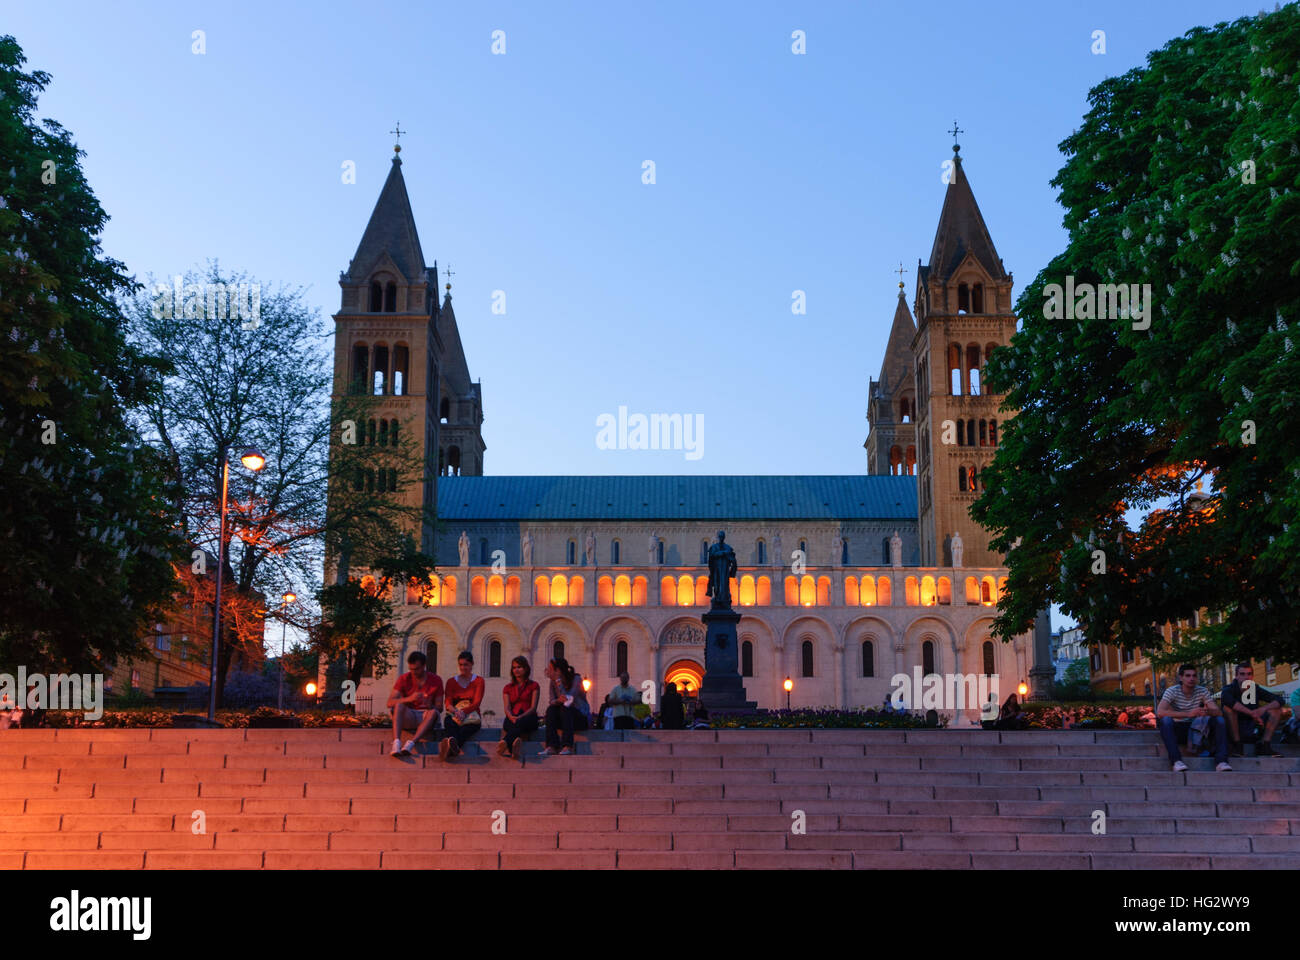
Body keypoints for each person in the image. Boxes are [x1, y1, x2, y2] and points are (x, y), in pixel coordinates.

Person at [1156, 663, 1231, 772]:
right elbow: (1160, 712)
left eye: (1194, 676)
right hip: (1179, 728)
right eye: (1188, 675)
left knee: (1219, 720)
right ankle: (1176, 761)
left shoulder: (1202, 691)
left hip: (1197, 729)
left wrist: (1206, 711)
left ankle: (1221, 761)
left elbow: (1218, 712)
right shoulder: (1172, 691)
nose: (1191, 678)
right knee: (1166, 720)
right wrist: (1188, 714)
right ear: (1180, 677)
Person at [1220, 662, 1283, 757]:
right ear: (1236, 676)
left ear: (1252, 676)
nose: (1246, 677)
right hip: (1233, 729)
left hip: (1253, 726)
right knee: (1228, 709)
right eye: (1242, 674)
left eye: (1249, 674)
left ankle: (1265, 745)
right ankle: (1237, 747)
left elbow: (1279, 700)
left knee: (1276, 710)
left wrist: (1263, 709)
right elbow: (1228, 701)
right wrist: (1252, 713)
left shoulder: (1255, 689)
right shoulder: (1229, 689)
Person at [387, 651, 443, 757]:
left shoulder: (436, 680)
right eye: (411, 669)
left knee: (433, 712)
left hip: (426, 716)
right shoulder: (404, 678)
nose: (413, 672)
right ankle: (396, 743)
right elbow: (390, 703)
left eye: (417, 669)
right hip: (410, 715)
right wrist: (409, 699)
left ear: (424, 666)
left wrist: (430, 704)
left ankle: (410, 743)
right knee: (399, 705)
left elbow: (440, 707)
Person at [439, 651, 485, 761]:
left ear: (472, 664)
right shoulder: (451, 681)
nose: (463, 667)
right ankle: (454, 746)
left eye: (466, 665)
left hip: (471, 716)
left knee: (466, 729)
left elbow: (476, 702)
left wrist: (464, 712)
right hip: (455, 715)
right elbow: (448, 702)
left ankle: (450, 747)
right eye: (461, 665)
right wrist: (456, 712)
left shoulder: (479, 681)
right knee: (449, 722)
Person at [540, 657, 589, 756]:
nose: (547, 671)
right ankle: (551, 746)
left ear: (557, 670)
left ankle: (567, 746)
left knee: (565, 708)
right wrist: (558, 700)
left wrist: (558, 681)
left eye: (550, 668)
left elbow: (569, 699)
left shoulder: (576, 679)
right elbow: (552, 700)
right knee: (551, 710)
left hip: (579, 718)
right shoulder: (552, 682)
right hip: (564, 719)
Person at [498, 656, 540, 761]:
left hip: (528, 716)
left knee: (520, 722)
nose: (516, 670)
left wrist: (521, 716)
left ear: (525, 668)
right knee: (511, 723)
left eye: (519, 667)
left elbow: (533, 707)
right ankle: (514, 749)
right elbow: (507, 707)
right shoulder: (508, 688)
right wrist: (511, 717)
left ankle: (505, 742)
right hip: (513, 716)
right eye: (514, 667)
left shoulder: (534, 685)